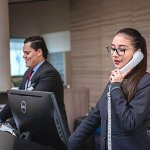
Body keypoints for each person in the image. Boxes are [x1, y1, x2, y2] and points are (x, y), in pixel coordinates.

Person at [69, 28, 150, 150]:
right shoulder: (114, 81)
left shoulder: (145, 82)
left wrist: (116, 87)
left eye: (122, 49)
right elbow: (93, 118)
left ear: (138, 54)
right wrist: (67, 144)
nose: (114, 54)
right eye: (112, 48)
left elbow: (130, 122)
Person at [0, 36, 70, 148]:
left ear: (39, 52)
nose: (23, 56)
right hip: (34, 135)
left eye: (27, 53)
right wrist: (1, 118)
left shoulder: (49, 73)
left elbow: (31, 107)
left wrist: (8, 126)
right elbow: (17, 100)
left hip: (50, 137)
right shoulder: (28, 72)